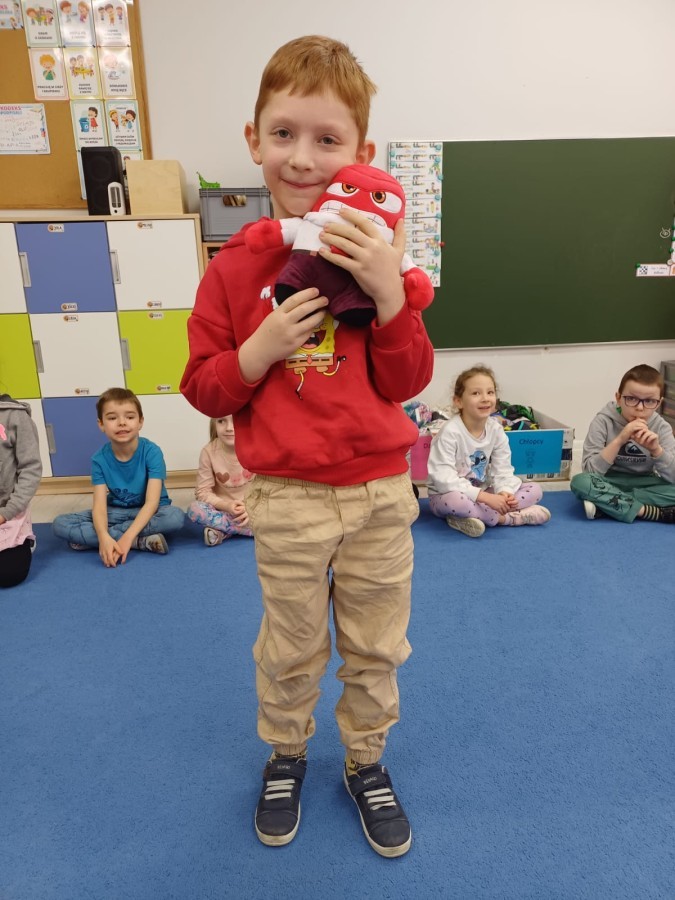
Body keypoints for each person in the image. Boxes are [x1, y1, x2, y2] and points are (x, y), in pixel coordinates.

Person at [180, 35, 434, 857]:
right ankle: (285, 754)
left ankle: (365, 760)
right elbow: (203, 388)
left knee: (375, 645)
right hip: (286, 495)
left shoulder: (377, 258)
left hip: (379, 492)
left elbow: (407, 380)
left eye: (327, 140)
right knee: (290, 644)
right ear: (252, 139)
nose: (302, 157)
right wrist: (257, 351)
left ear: (362, 153)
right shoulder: (234, 268)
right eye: (283, 134)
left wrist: (390, 296)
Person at [52, 387, 184, 565]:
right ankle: (139, 542)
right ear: (101, 424)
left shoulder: (152, 452)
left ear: (140, 422)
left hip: (152, 511)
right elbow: (99, 507)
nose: (122, 423)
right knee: (60, 523)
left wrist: (125, 536)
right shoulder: (99, 459)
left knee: (175, 517)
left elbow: (152, 503)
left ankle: (112, 540)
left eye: (129, 417)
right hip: (116, 512)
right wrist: (103, 536)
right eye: (112, 418)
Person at [426, 365, 551, 537]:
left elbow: (503, 469)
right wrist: (486, 498)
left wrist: (504, 493)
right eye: (476, 393)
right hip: (446, 495)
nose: (485, 398)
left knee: (535, 489)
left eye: (490, 392)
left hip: (484, 491)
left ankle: (476, 515)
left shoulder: (495, 429)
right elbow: (444, 479)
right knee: (457, 501)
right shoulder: (450, 432)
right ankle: (507, 519)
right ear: (458, 401)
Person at [570, 363, 675, 522]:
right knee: (580, 482)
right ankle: (649, 511)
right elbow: (590, 472)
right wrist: (620, 440)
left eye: (649, 401)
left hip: (645, 483)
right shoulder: (603, 421)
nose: (640, 408)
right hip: (609, 481)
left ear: (659, 403)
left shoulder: (662, 427)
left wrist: (657, 451)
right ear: (618, 398)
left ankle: (609, 505)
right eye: (631, 399)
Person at [187, 415, 253, 545]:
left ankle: (224, 530)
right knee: (194, 509)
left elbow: (268, 487)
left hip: (253, 510)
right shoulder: (208, 452)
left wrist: (251, 508)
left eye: (236, 420)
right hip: (222, 510)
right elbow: (202, 492)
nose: (229, 428)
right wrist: (226, 506)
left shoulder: (258, 448)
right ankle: (246, 529)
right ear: (214, 424)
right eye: (221, 421)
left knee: (284, 510)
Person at [0, 395, 42, 588]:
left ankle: (25, 541)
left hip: (7, 514)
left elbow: (30, 469)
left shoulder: (14, 415)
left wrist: (6, 513)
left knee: (9, 575)